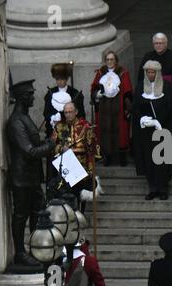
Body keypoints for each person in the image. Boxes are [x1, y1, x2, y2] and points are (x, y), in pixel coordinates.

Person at [6, 79, 56, 266]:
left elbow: (34, 146)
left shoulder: (25, 118)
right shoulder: (16, 122)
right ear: (20, 97)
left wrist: (46, 142)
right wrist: (49, 145)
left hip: (33, 177)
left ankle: (36, 247)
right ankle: (20, 252)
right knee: (21, 215)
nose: (33, 96)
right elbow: (29, 151)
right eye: (30, 94)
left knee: (39, 210)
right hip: (22, 178)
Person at [132, 60, 172, 201]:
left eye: (153, 72)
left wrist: (158, 120)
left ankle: (163, 188)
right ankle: (152, 188)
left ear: (157, 73)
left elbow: (170, 107)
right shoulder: (140, 87)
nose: (150, 75)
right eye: (148, 72)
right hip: (146, 132)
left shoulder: (167, 87)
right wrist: (143, 119)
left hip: (162, 130)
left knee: (162, 159)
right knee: (149, 158)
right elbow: (136, 107)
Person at [138, 32, 172, 127]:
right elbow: (142, 78)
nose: (158, 45)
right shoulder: (148, 57)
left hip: (170, 94)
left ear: (166, 43)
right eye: (156, 43)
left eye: (161, 43)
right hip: (153, 94)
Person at [51, 103, 101, 205]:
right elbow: (51, 146)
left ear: (76, 112)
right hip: (65, 167)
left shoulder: (86, 126)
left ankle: (80, 216)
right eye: (66, 112)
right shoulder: (59, 127)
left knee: (80, 197)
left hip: (81, 167)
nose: (68, 115)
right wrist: (61, 148)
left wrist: (90, 170)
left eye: (70, 112)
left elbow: (92, 149)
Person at [91, 50, 133, 167]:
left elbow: (128, 91)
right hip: (104, 109)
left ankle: (122, 158)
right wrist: (97, 94)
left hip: (119, 109)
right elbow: (94, 88)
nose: (110, 62)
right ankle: (107, 158)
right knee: (104, 134)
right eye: (108, 59)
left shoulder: (123, 73)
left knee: (121, 134)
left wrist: (127, 108)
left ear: (116, 60)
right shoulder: (100, 73)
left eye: (112, 59)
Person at [43, 63, 86, 138]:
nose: (59, 81)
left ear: (66, 79)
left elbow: (81, 114)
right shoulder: (50, 93)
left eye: (62, 79)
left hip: (71, 131)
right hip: (54, 131)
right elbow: (46, 112)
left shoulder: (75, 94)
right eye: (57, 79)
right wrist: (52, 118)